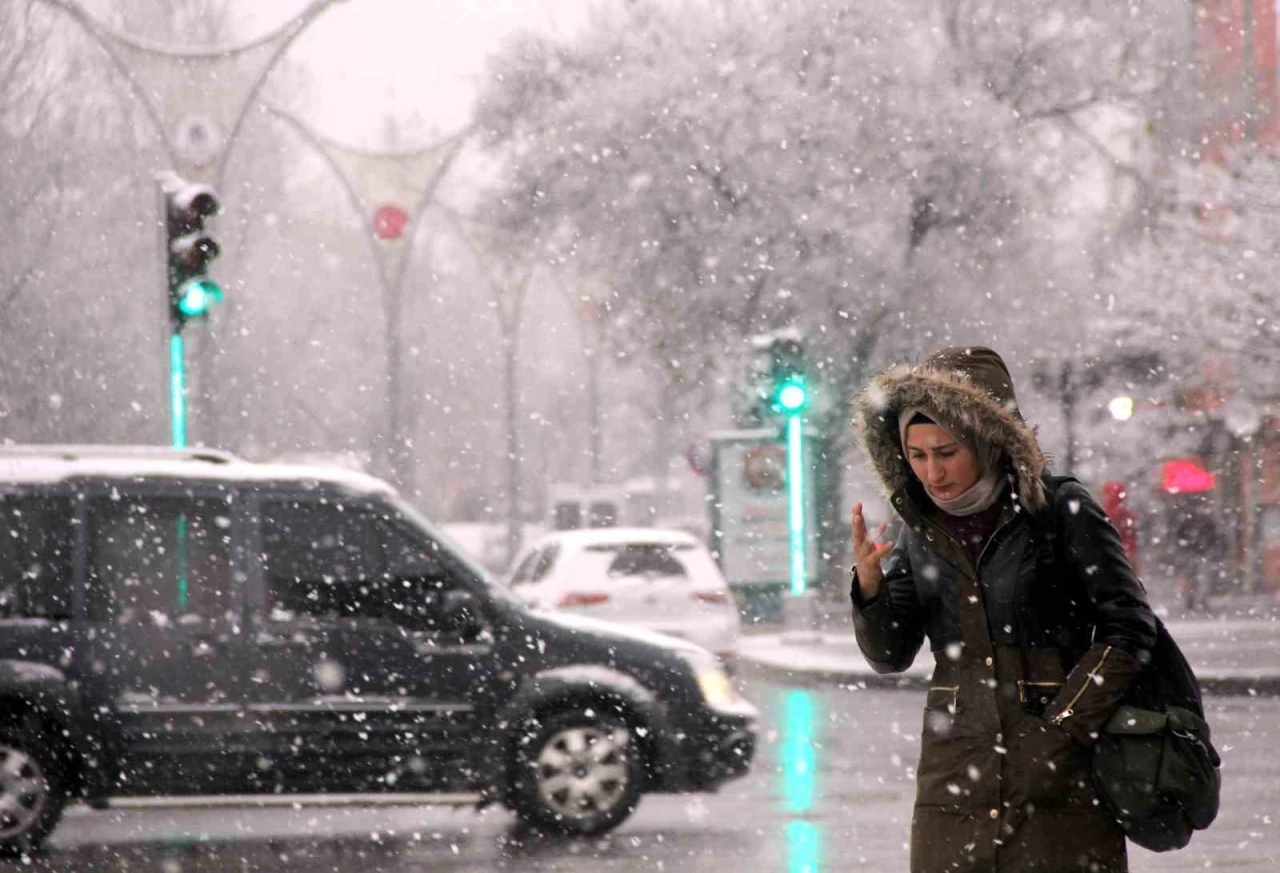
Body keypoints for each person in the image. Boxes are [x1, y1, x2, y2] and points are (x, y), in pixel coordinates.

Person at [849, 346, 1158, 873]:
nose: (932, 472)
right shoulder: (918, 529)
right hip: (954, 779)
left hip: (1058, 772)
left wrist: (1059, 731)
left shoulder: (1058, 511)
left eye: (946, 452)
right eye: (917, 454)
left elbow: (1128, 629)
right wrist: (870, 587)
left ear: (987, 439)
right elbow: (890, 654)